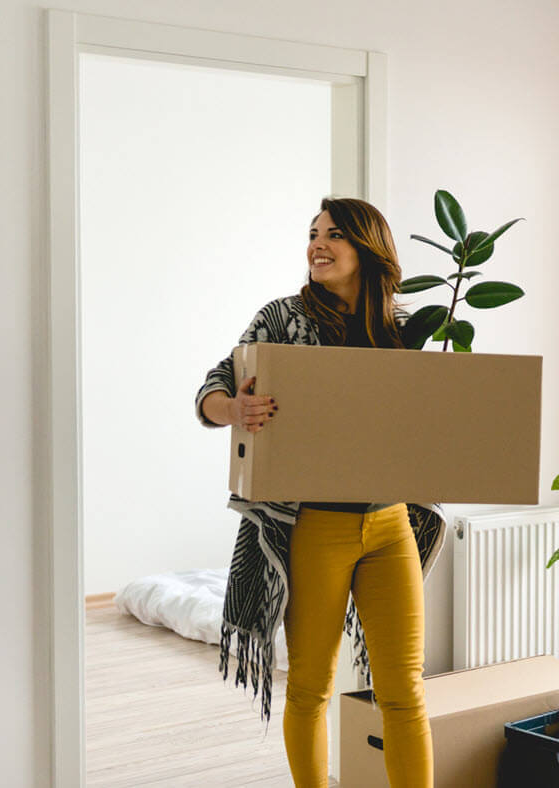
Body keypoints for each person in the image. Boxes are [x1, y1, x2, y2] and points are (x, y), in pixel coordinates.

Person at [195, 197, 447, 788]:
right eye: (312, 234)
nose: (317, 244)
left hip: (390, 524)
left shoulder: (402, 330)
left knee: (404, 688)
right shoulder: (281, 318)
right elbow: (213, 386)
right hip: (314, 527)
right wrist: (234, 408)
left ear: (369, 247)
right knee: (310, 688)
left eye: (334, 234)